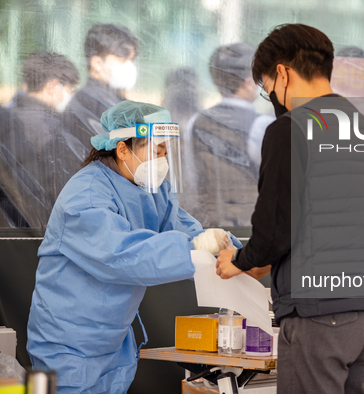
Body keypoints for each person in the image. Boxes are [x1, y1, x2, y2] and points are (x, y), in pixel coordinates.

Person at [215, 23, 364, 394]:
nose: (273, 99)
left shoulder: (291, 129)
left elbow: (275, 230)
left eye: (268, 89)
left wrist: (238, 259)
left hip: (321, 312)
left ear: (282, 73)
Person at [27, 101, 239, 393]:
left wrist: (231, 249)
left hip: (114, 338)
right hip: (68, 343)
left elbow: (181, 227)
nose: (162, 159)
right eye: (155, 151)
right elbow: (122, 255)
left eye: (165, 151)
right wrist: (196, 247)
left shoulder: (151, 189)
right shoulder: (85, 196)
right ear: (122, 149)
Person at [185, 42, 273, 225]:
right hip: (251, 229)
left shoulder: (194, 122)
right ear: (249, 83)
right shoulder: (262, 126)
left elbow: (192, 179)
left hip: (208, 228)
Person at [9, 51, 82, 225]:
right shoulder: (52, 129)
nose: (70, 97)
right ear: (53, 86)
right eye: (70, 90)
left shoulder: (9, 117)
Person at [67, 23, 138, 150]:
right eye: (123, 60)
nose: (130, 66)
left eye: (132, 60)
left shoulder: (103, 99)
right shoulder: (95, 103)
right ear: (97, 63)